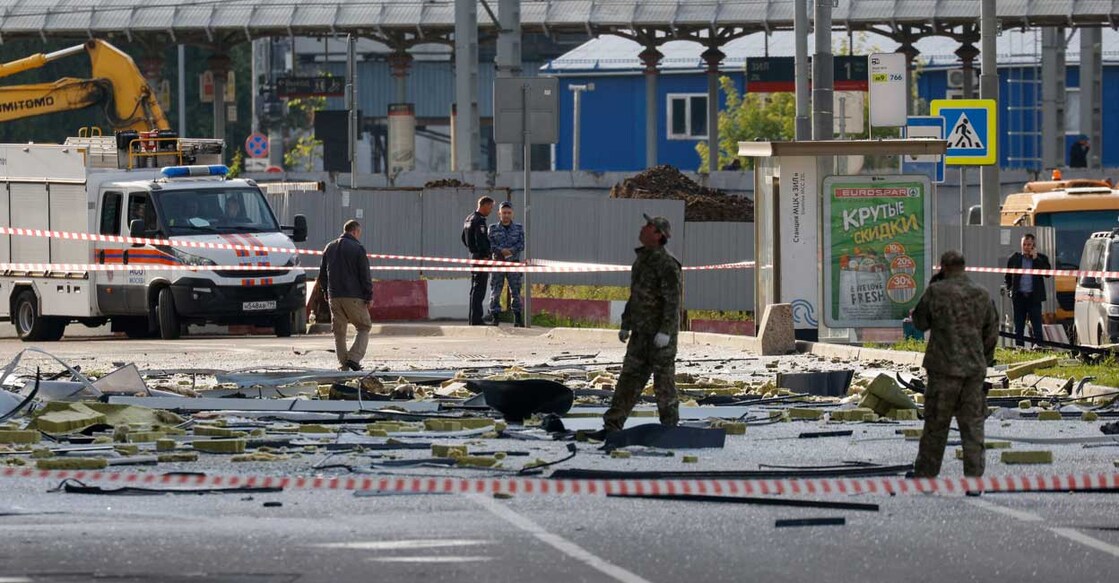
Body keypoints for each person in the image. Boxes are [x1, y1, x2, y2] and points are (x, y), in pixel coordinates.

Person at [590, 214, 682, 439]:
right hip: (640, 335)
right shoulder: (641, 261)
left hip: (660, 337)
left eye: (648, 226)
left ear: (659, 235)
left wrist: (665, 331)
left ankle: (670, 428)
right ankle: (612, 425)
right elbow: (636, 296)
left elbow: (672, 302)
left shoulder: (667, 264)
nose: (643, 228)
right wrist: (626, 323)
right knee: (628, 380)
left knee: (663, 384)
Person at [911, 250, 999, 481]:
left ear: (943, 267)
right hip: (973, 372)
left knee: (936, 426)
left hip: (943, 371)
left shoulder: (936, 292)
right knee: (973, 427)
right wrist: (982, 359)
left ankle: (926, 474)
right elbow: (992, 333)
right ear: (963, 266)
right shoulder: (981, 294)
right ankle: (974, 477)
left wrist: (933, 285)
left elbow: (919, 322)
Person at [317, 220, 373, 371]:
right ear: (355, 231)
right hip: (353, 296)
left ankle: (343, 365)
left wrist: (326, 292)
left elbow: (322, 274)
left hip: (334, 296)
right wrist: (368, 296)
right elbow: (364, 274)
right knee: (364, 326)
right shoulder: (358, 248)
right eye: (359, 233)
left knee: (339, 332)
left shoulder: (329, 247)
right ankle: (354, 358)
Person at [1004, 233, 1051, 347]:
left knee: (1037, 326)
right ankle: (1020, 348)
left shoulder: (1041, 258)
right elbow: (1008, 277)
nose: (1026, 247)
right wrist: (1010, 290)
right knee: (1019, 326)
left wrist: (1036, 259)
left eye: (1029, 245)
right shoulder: (1014, 258)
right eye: (1024, 244)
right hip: (1019, 297)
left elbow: (1047, 274)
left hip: (1034, 297)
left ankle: (1039, 347)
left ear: (1033, 246)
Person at [486, 201, 526, 327]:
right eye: (504, 213)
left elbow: (521, 244)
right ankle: (495, 317)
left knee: (516, 291)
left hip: (513, 264)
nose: (506, 215)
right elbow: (490, 244)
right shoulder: (493, 228)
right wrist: (501, 250)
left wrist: (511, 251)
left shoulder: (518, 228)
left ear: (512, 214)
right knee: (496, 291)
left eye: (509, 213)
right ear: (499, 214)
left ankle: (517, 318)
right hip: (498, 264)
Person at [462, 196, 494, 326]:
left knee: (474, 288)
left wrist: (472, 250)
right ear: (484, 205)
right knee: (479, 289)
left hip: (473, 256)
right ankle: (477, 319)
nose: (491, 210)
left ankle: (473, 318)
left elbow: (464, 238)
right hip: (481, 258)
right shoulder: (479, 220)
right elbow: (481, 240)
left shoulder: (468, 218)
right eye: (490, 207)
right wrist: (485, 255)